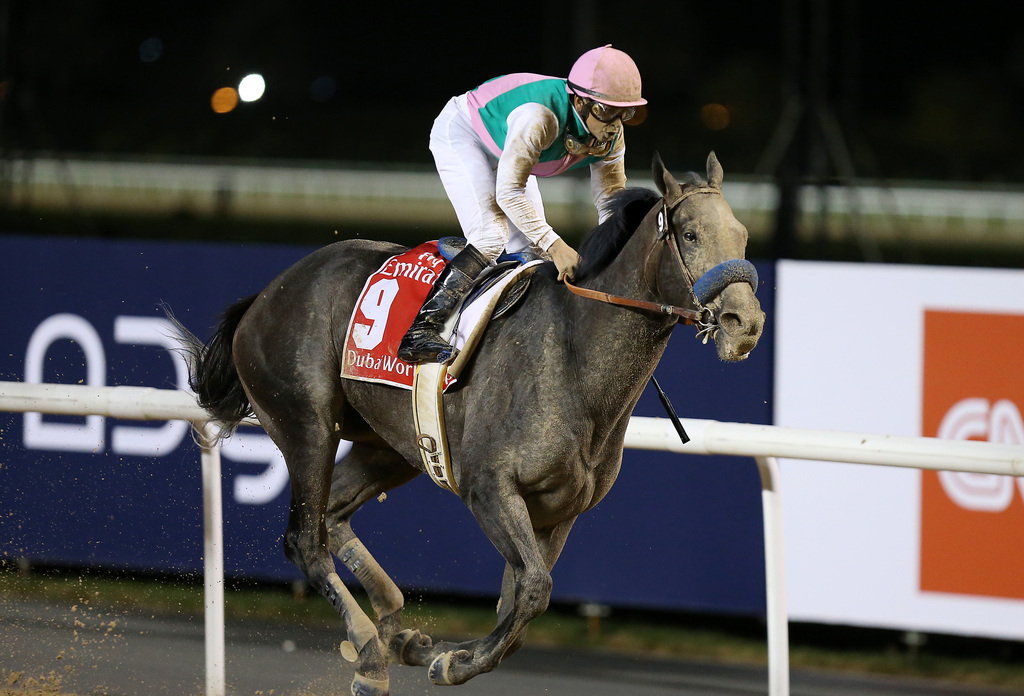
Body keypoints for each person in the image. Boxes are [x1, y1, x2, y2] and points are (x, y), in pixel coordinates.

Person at [397, 44, 648, 364]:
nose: (614, 124)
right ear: (580, 101)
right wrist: (557, 246)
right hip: (464, 132)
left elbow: (610, 198)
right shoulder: (539, 118)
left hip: (510, 148)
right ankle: (421, 330)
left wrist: (614, 253)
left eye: (624, 113)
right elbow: (509, 194)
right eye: (606, 111)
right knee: (491, 235)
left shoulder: (612, 135)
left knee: (533, 255)